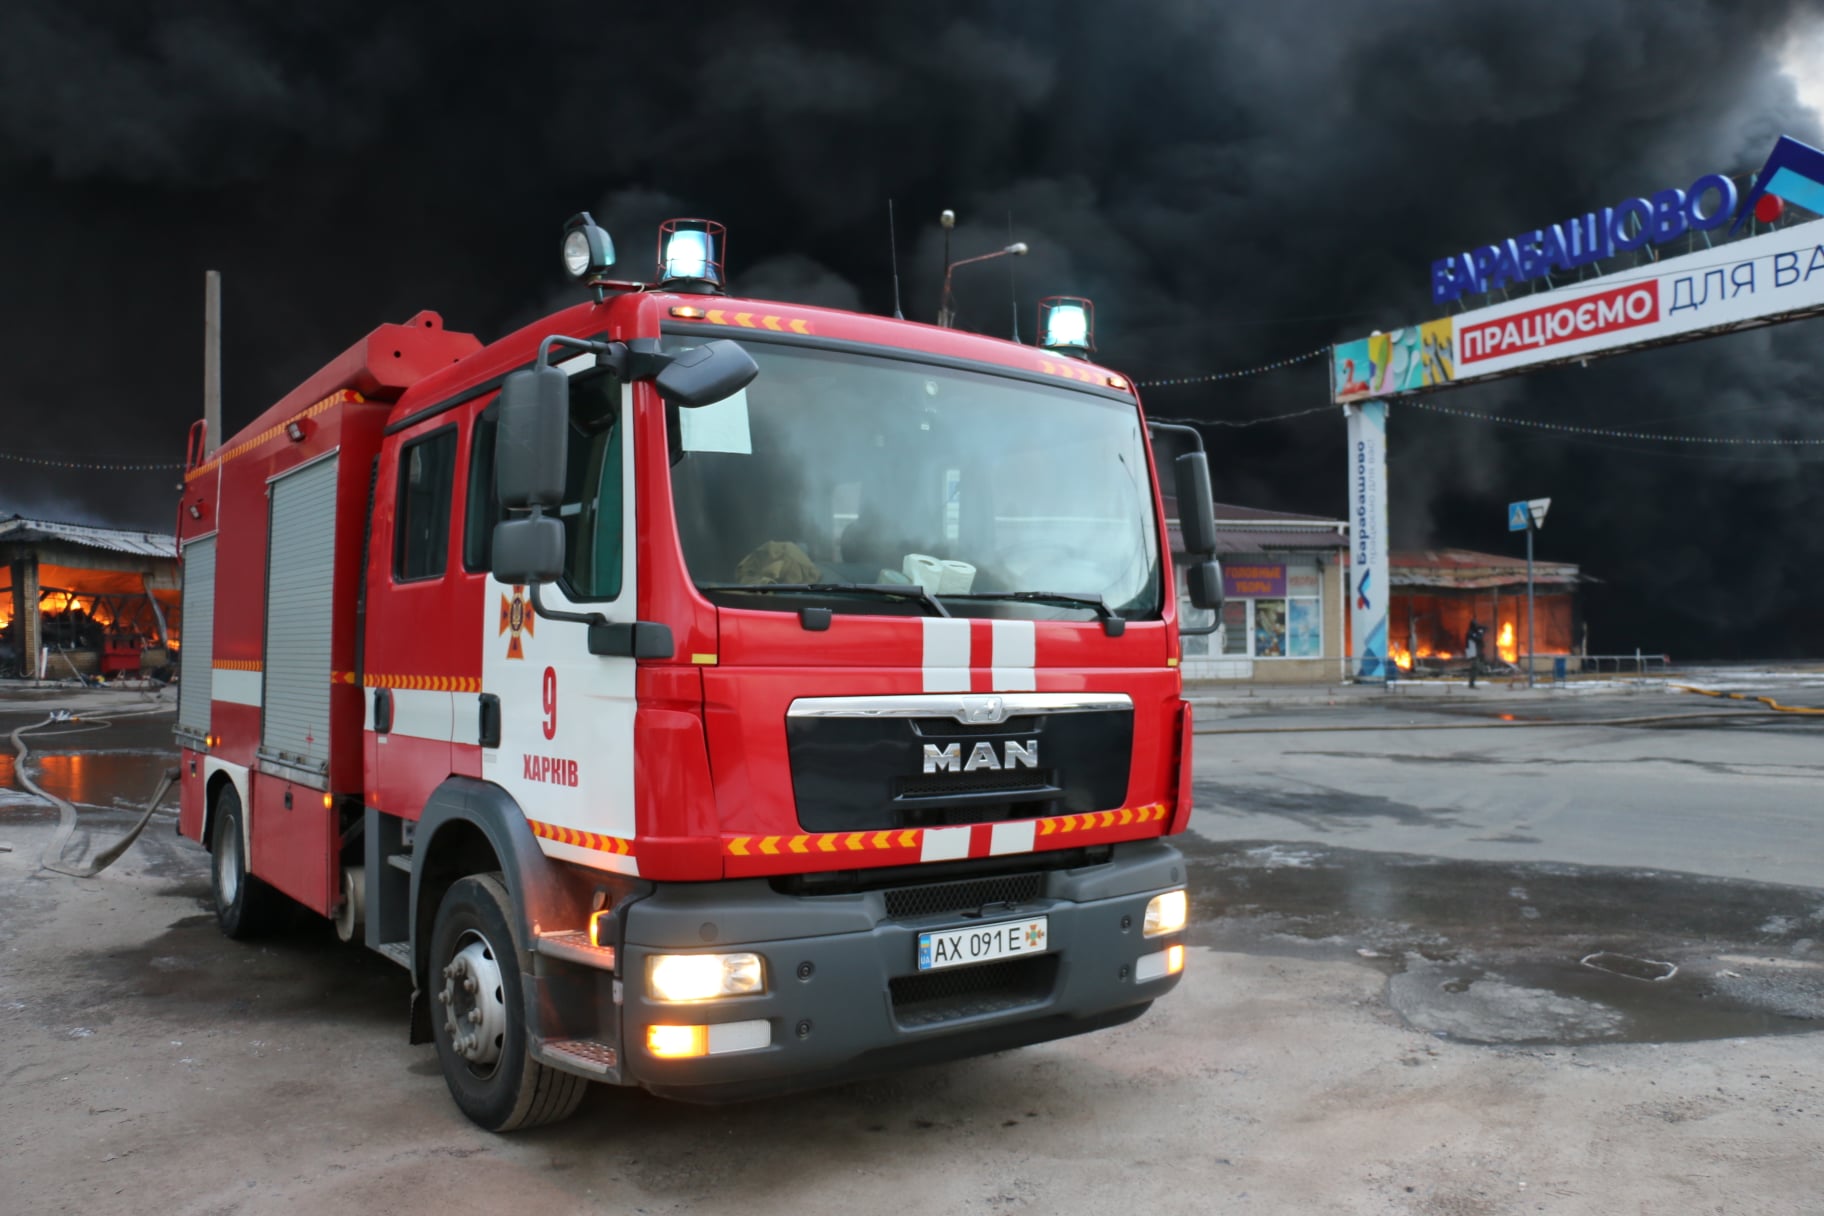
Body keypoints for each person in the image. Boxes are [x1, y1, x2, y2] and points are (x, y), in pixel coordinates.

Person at [1465, 619, 1487, 688]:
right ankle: (1471, 684)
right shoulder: (1470, 633)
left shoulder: (1474, 632)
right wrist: (1481, 632)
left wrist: (1481, 630)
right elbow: (1478, 638)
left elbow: (1485, 630)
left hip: (1474, 651)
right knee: (1474, 667)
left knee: (1475, 667)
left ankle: (1471, 683)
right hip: (1471, 651)